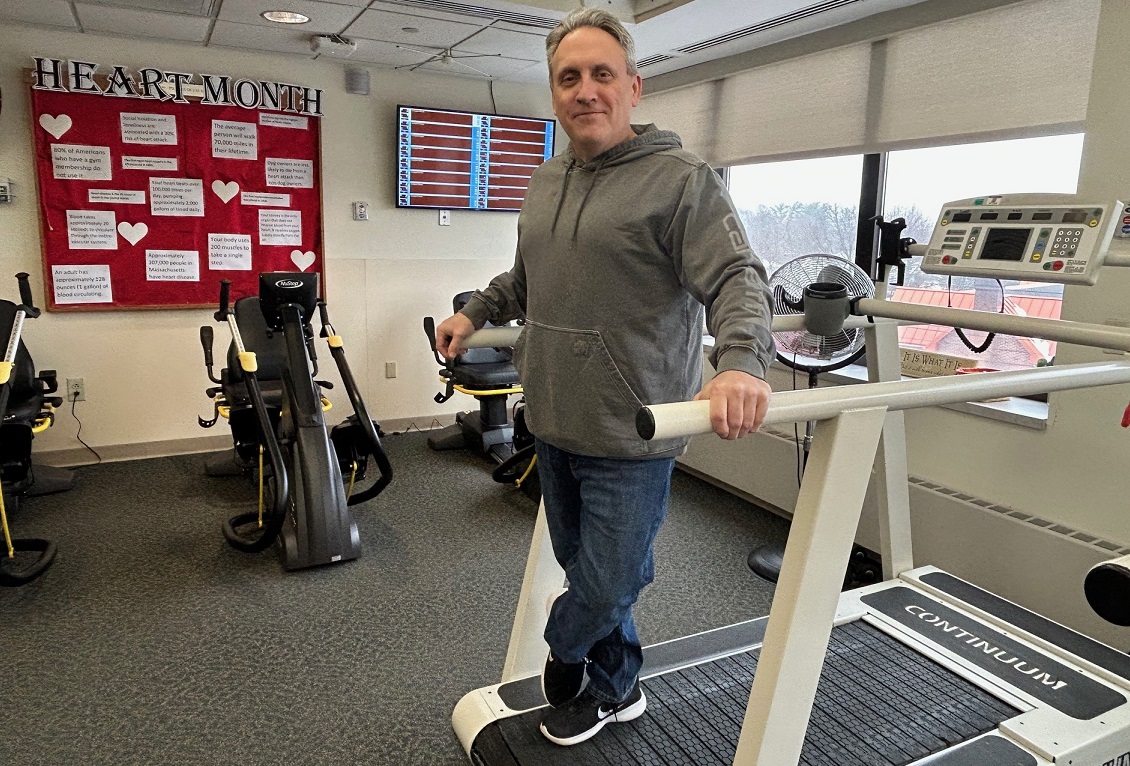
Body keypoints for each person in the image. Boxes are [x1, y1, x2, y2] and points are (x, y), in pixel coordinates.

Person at [434, 7, 774, 747]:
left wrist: (741, 362)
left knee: (608, 580)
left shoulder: (682, 182)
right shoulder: (547, 179)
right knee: (580, 563)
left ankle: (566, 649)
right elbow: (528, 276)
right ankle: (617, 691)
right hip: (552, 416)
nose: (585, 90)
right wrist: (479, 311)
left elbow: (740, 279)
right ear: (555, 93)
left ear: (633, 87)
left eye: (601, 75)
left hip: (633, 430)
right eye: (569, 77)